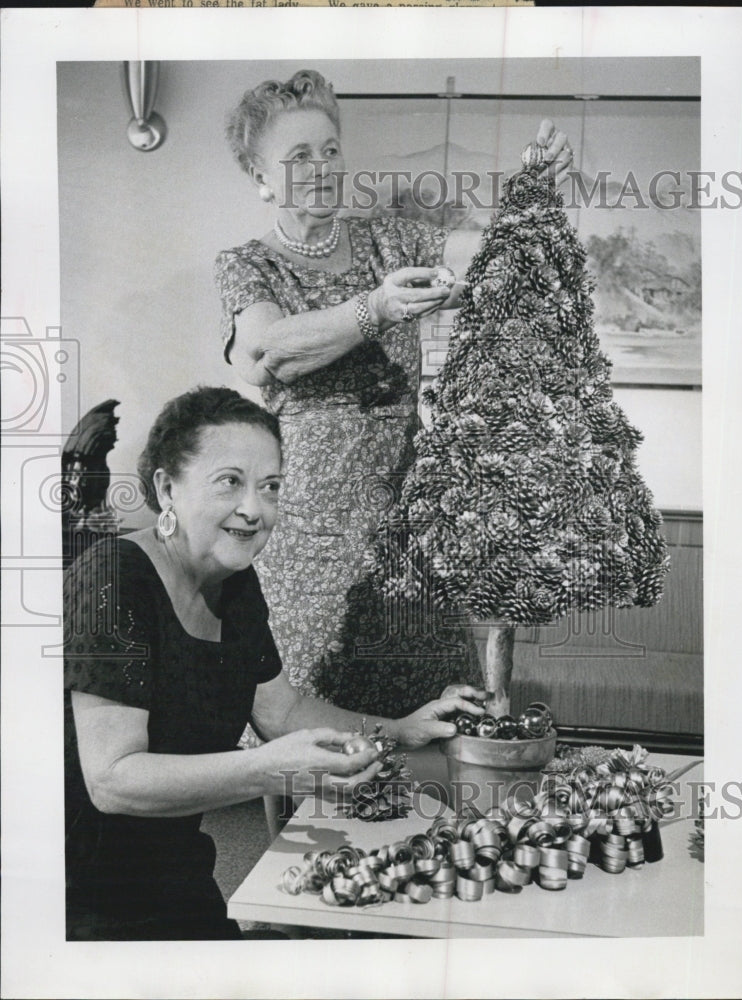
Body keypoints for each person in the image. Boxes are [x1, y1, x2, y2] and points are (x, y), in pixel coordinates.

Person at [64, 386, 486, 941]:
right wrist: (270, 770)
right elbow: (112, 780)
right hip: (83, 904)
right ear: (167, 488)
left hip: (180, 878)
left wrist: (403, 729)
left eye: (270, 486)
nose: (254, 509)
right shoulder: (112, 578)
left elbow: (282, 711)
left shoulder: (235, 581)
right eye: (229, 481)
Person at [215, 69, 574, 718]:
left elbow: (493, 262)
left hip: (409, 532)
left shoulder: (394, 240)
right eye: (299, 156)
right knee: (314, 729)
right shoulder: (249, 264)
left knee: (439, 716)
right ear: (260, 176)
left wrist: (533, 193)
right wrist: (375, 308)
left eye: (330, 150)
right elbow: (268, 353)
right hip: (310, 546)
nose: (322, 167)